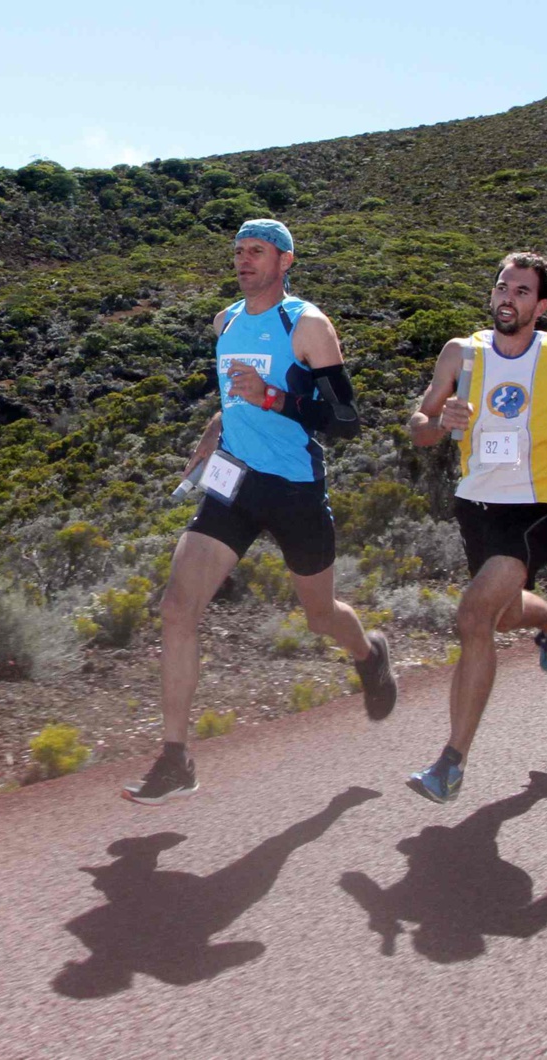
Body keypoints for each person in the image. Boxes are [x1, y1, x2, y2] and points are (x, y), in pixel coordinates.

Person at [123, 218, 397, 805]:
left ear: (285, 261)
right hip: (235, 485)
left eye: (258, 252)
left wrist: (273, 397)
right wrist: (213, 433)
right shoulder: (225, 322)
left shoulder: (306, 325)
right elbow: (231, 400)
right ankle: (175, 759)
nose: (245, 260)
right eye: (240, 251)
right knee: (177, 608)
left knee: (320, 615)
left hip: (294, 489)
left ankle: (368, 655)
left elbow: (347, 421)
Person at [407, 251, 547, 805]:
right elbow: (420, 427)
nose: (509, 298)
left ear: (541, 305)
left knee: (474, 616)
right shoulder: (462, 352)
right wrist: (437, 420)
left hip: (535, 504)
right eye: (504, 287)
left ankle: (450, 763)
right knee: (497, 614)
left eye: (523, 291)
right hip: (474, 503)